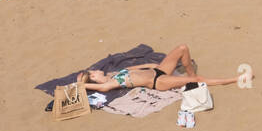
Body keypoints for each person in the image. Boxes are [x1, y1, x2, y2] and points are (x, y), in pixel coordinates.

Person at [77, 44, 242, 93]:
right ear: (95, 80)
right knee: (197, 81)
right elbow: (86, 86)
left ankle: (192, 73)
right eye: (92, 73)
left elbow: (135, 68)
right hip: (158, 81)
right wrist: (81, 83)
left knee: (182, 48)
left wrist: (151, 65)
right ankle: (236, 79)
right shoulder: (108, 84)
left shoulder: (114, 74)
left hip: (158, 70)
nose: (96, 70)